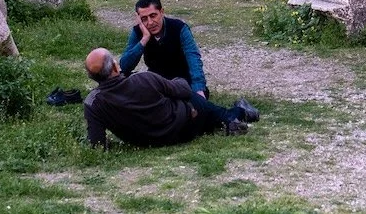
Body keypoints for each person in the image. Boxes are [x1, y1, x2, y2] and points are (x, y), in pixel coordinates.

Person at [83, 47, 259, 149]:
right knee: (202, 106)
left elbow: (97, 143)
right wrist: (177, 80)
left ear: (92, 77)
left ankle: (228, 119)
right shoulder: (144, 79)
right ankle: (238, 113)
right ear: (115, 67)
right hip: (184, 125)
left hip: (147, 142)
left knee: (208, 119)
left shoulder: (93, 103)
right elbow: (183, 90)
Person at [120, 0, 208, 97]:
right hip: (157, 82)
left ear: (161, 12)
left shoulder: (179, 28)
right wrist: (144, 39)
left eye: (153, 16)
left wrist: (199, 90)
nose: (150, 22)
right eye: (144, 19)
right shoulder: (138, 31)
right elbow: (125, 66)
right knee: (125, 82)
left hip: (182, 81)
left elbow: (193, 58)